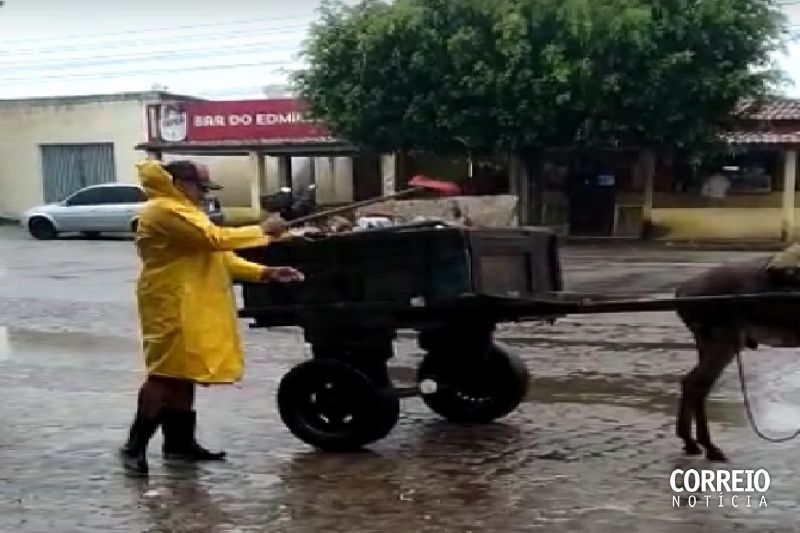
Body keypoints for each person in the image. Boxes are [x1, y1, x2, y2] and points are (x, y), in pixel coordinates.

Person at [121, 159, 304, 475]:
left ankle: (179, 443)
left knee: (185, 370)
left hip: (192, 301)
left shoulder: (187, 211)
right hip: (171, 303)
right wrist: (262, 230)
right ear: (179, 183)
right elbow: (215, 240)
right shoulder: (163, 211)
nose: (204, 194)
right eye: (200, 187)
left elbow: (219, 256)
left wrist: (265, 272)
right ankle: (134, 447)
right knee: (164, 375)